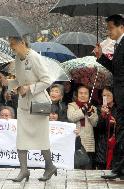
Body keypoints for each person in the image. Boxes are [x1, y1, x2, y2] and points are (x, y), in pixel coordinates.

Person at [8, 35, 56, 182]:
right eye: (10, 45)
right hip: (23, 104)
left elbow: (47, 80)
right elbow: (19, 80)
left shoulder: (35, 57)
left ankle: (49, 166)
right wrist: (10, 85)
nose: (12, 47)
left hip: (38, 104)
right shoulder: (17, 59)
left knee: (41, 139)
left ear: (22, 43)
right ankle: (24, 170)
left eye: (13, 44)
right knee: (21, 138)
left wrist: (29, 88)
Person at [94, 14, 124, 179]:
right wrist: (101, 57)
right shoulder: (118, 45)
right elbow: (115, 68)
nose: (109, 31)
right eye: (108, 28)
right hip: (120, 95)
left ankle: (118, 169)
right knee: (121, 132)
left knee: (121, 133)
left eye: (111, 28)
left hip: (122, 95)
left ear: (121, 27)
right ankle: (119, 169)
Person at [67, 86, 98, 169]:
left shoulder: (93, 107)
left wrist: (90, 113)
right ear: (77, 95)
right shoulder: (71, 105)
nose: (83, 95)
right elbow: (71, 117)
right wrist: (83, 110)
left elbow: (95, 123)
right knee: (75, 168)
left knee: (88, 168)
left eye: (85, 93)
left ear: (89, 95)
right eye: (81, 93)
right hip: (76, 140)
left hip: (88, 142)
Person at [95, 86, 117, 170]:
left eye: (108, 95)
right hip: (102, 146)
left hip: (115, 146)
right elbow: (97, 127)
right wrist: (103, 116)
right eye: (104, 95)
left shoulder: (118, 109)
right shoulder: (98, 109)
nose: (106, 97)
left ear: (113, 95)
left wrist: (115, 124)